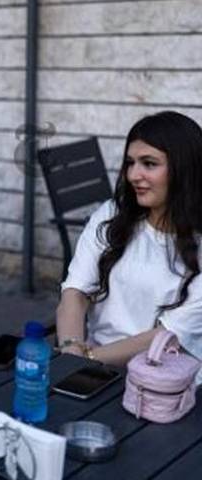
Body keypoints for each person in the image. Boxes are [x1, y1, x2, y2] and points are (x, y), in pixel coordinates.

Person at [56, 111, 202, 373]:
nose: (134, 175)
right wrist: (70, 348)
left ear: (184, 169)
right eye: (130, 162)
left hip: (163, 383)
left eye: (149, 163)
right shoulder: (112, 215)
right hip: (93, 366)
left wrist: (85, 357)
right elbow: (75, 291)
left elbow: (169, 333)